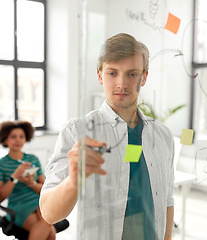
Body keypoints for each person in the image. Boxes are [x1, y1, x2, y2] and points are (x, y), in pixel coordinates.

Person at [40, 33, 175, 240]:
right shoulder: (77, 132)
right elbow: (49, 214)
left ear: (144, 77)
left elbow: (166, 199)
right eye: (113, 73)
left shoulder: (163, 136)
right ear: (100, 75)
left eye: (132, 74)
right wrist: (75, 179)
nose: (122, 84)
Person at [0, 121, 56, 240]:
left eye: (21, 136)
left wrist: (31, 184)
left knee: (47, 227)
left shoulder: (33, 159)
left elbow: (46, 189)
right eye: (13, 137)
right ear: (5, 140)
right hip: (18, 206)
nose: (18, 140)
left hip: (38, 202)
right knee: (50, 232)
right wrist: (15, 176)